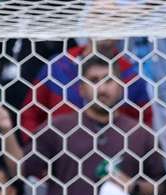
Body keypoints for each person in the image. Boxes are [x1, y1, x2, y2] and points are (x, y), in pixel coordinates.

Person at [5, 53, 166, 195]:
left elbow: (162, 187)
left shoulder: (140, 134)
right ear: (81, 88)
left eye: (109, 80)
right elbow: (20, 169)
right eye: (94, 80)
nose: (102, 88)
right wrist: (5, 130)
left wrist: (134, 187)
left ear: (121, 87)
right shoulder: (58, 128)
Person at [18, 38, 152, 138]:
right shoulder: (57, 67)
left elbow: (145, 123)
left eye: (114, 18)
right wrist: (38, 153)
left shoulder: (131, 76)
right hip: (60, 160)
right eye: (98, 15)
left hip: (113, 161)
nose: (105, 23)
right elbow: (30, 113)